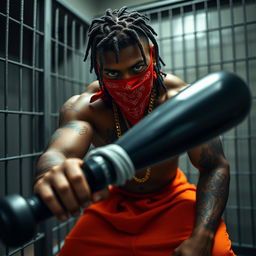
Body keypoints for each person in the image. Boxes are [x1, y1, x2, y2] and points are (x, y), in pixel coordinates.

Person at [34, 7, 235, 256]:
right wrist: (51, 175)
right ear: (98, 67)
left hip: (172, 199)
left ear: (152, 55)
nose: (128, 83)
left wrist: (202, 235)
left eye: (138, 68)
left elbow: (214, 165)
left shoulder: (181, 100)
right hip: (113, 204)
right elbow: (58, 153)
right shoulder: (86, 108)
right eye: (113, 73)